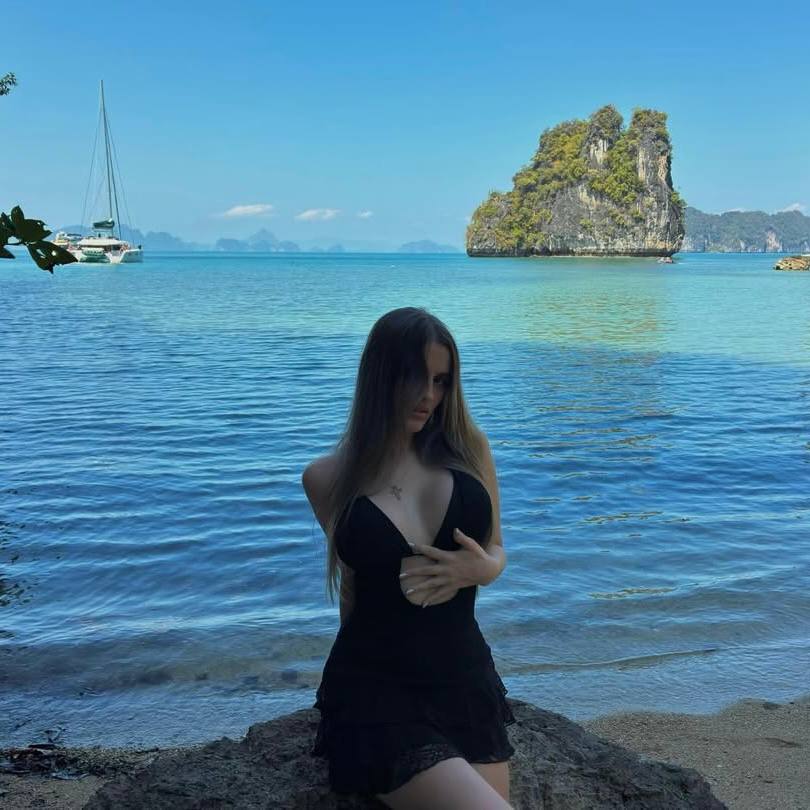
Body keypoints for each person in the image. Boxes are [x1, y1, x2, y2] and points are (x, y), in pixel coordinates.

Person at [303, 306, 516, 809]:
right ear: (381, 376)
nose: (430, 396)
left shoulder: (470, 448)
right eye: (417, 378)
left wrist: (483, 570)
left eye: (441, 381)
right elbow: (354, 587)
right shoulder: (326, 478)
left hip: (465, 680)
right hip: (378, 689)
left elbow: (496, 549)